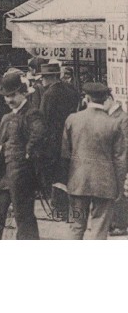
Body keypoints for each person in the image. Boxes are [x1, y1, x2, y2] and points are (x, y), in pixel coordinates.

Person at [61, 82, 128, 240]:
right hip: (105, 183)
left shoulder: (72, 119)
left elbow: (65, 154)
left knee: (76, 226)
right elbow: (120, 160)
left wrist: (65, 181)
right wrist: (119, 187)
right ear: (105, 99)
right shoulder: (114, 124)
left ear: (86, 97)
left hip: (77, 181)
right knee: (99, 228)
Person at [0, 71, 45, 240]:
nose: (9, 100)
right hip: (3, 176)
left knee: (24, 217)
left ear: (23, 93)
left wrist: (25, 153)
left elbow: (38, 136)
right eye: (6, 96)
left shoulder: (32, 114)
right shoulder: (6, 117)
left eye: (12, 95)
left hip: (22, 175)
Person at [38, 63, 80, 189]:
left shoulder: (49, 94)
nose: (42, 79)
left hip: (54, 137)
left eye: (44, 77)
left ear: (51, 77)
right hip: (71, 133)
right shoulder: (71, 89)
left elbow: (43, 118)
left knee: (55, 170)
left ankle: (57, 198)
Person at [105, 92, 128, 236]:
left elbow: (125, 143)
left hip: (119, 160)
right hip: (112, 160)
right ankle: (114, 222)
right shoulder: (111, 116)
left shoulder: (123, 118)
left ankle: (121, 224)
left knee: (119, 192)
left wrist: (122, 165)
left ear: (109, 100)